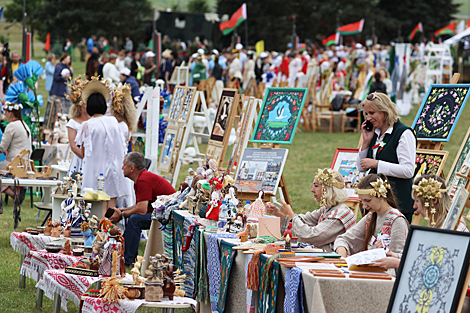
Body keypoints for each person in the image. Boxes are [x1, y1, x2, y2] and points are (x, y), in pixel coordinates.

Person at [373, 174, 469, 270]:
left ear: (434, 201)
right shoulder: (441, 224)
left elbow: (440, 269)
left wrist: (398, 263)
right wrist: (394, 255)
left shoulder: (453, 229)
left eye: (417, 201)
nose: (414, 206)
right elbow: (424, 259)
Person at [356, 92, 416, 223]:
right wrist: (366, 141)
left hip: (398, 202)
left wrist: (377, 164)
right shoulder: (374, 133)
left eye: (372, 113)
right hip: (376, 203)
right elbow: (361, 167)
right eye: (366, 114)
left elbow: (408, 171)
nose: (368, 117)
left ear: (384, 111)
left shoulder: (403, 133)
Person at [109, 152, 175, 265]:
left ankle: (127, 260)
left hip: (169, 215)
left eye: (124, 165)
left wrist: (122, 215)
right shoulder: (142, 178)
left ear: (131, 168)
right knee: (134, 217)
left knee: (135, 219)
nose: (122, 168)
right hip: (163, 212)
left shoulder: (143, 180)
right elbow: (138, 205)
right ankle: (125, 255)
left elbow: (142, 210)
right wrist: (121, 210)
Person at [265, 168, 356, 252]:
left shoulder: (340, 214)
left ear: (327, 189)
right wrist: (280, 214)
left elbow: (312, 236)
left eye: (316, 186)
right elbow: (304, 220)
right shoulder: (328, 209)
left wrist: (291, 215)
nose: (312, 190)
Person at [75, 80, 128, 214]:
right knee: (111, 208)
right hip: (114, 167)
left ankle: (98, 230)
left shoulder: (87, 125)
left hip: (94, 170)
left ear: (88, 107)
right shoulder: (113, 121)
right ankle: (110, 230)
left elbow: (83, 152)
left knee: (96, 209)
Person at [334, 174, 409, 258]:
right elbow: (343, 240)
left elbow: (401, 258)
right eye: (362, 201)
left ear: (381, 196)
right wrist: (342, 257)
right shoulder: (371, 217)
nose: (364, 206)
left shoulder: (397, 220)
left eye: (368, 201)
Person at [65, 77, 89, 176]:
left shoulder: (93, 120)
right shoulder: (73, 123)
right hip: (80, 159)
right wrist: (86, 157)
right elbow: (74, 146)